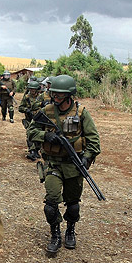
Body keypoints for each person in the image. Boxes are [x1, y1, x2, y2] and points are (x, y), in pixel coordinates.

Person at [27, 75, 100, 253]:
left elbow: (94, 140)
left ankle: (70, 231)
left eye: (59, 96)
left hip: (74, 166)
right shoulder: (47, 111)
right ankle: (55, 234)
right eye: (54, 95)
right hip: (53, 164)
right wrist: (45, 136)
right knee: (51, 204)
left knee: (73, 204)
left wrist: (86, 156)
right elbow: (31, 131)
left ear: (69, 96)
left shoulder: (81, 113)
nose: (55, 99)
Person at [18, 80, 43, 160]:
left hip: (39, 120)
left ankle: (36, 150)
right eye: (31, 89)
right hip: (29, 120)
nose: (32, 91)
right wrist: (27, 110)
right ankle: (32, 151)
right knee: (30, 135)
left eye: (34, 89)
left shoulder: (41, 97)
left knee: (39, 135)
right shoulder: (26, 97)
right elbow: (20, 108)